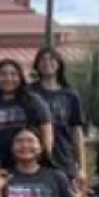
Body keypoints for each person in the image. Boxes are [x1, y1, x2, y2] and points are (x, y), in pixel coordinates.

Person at [0, 59, 53, 169]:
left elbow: (46, 130)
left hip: (27, 161)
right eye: (3, 74)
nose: (8, 78)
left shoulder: (33, 100)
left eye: (13, 74)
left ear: (20, 77)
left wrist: (45, 156)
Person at [32, 48, 88, 183]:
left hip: (64, 155)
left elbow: (77, 131)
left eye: (51, 59)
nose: (47, 63)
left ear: (59, 64)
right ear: (37, 65)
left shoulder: (70, 94)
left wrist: (82, 167)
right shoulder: (30, 92)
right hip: (36, 155)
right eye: (43, 60)